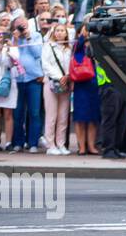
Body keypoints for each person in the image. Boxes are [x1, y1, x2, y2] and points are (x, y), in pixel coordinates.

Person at [10, 16, 44, 153]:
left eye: (24, 24)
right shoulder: (13, 38)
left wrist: (29, 38)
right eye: (19, 25)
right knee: (18, 113)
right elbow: (12, 56)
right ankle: (18, 142)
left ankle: (33, 143)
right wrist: (16, 40)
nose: (22, 27)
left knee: (34, 112)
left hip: (33, 78)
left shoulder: (36, 36)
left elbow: (37, 54)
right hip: (17, 80)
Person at [42, 21, 73, 155]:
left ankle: (61, 144)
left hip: (65, 84)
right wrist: (59, 76)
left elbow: (72, 65)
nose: (60, 33)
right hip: (51, 84)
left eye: (62, 30)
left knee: (63, 116)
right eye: (57, 30)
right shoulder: (48, 46)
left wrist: (67, 76)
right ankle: (50, 145)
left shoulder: (69, 48)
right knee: (51, 116)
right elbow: (45, 65)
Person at [70, 26, 100, 156]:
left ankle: (91, 146)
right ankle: (82, 146)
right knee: (81, 116)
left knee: (93, 117)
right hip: (81, 83)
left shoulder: (97, 42)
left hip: (95, 83)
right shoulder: (78, 45)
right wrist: (83, 35)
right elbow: (78, 48)